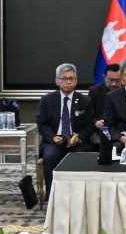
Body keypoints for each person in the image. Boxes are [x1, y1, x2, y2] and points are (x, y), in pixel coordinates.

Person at [35, 63, 93, 191]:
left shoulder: (85, 101)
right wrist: (52, 137)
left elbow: (90, 125)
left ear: (76, 80)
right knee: (50, 156)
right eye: (64, 78)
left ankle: (79, 193)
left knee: (81, 157)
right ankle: (52, 195)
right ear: (57, 81)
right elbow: (42, 124)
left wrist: (79, 137)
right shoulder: (47, 100)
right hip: (54, 141)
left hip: (77, 142)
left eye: (71, 78)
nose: (68, 81)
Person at [88, 62, 122, 146]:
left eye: (117, 80)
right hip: (100, 131)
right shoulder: (94, 91)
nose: (114, 84)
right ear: (104, 76)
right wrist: (96, 122)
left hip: (121, 131)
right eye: (111, 80)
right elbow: (88, 114)